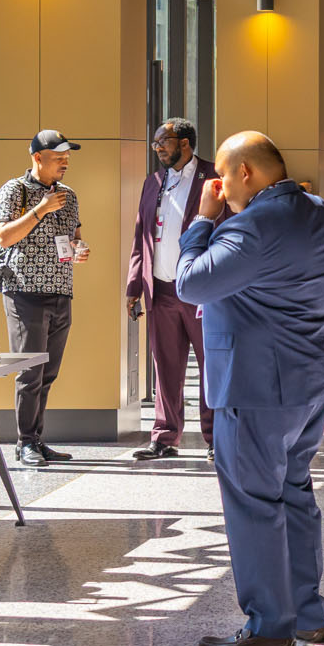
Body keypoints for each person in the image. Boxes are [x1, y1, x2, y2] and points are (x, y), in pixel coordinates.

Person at [176, 132, 324, 646]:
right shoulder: (319, 212)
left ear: (245, 172)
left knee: (253, 502)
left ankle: (270, 623)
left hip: (255, 386)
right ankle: (307, 615)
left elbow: (190, 284)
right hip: (309, 381)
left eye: (224, 178)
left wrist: (202, 221)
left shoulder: (252, 225)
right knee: (294, 491)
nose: (220, 189)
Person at [0, 130, 89, 466]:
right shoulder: (13, 190)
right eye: (59, 157)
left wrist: (79, 249)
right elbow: (4, 237)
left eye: (67, 157)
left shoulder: (69, 196)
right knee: (29, 372)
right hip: (24, 291)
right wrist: (40, 210)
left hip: (61, 290)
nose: (65, 163)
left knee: (48, 373)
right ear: (37, 158)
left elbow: (74, 236)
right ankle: (25, 442)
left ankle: (37, 440)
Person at [128, 119, 217, 461]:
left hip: (201, 291)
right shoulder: (153, 182)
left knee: (212, 365)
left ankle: (215, 438)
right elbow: (142, 237)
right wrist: (135, 284)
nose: (158, 148)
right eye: (155, 143)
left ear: (185, 143)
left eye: (163, 141)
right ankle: (165, 437)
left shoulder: (213, 177)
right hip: (161, 289)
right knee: (165, 365)